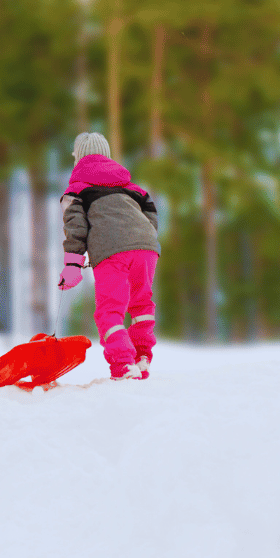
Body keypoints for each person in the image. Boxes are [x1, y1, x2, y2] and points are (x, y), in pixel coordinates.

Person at [58, 132, 160, 380]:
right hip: (146, 246)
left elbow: (75, 226)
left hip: (111, 250)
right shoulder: (132, 187)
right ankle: (141, 356)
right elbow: (151, 215)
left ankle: (123, 364)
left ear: (78, 159)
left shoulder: (78, 190)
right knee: (141, 304)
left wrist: (73, 263)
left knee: (109, 310)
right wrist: (139, 239)